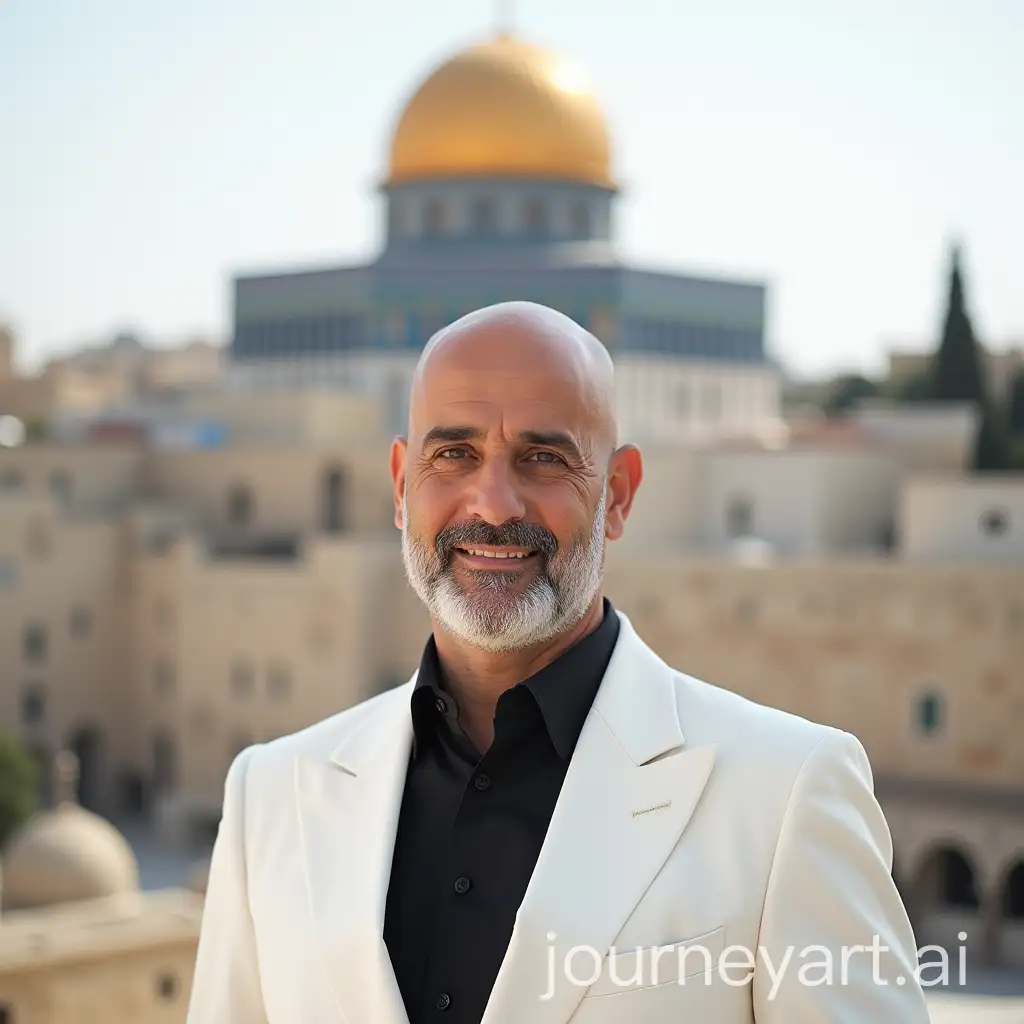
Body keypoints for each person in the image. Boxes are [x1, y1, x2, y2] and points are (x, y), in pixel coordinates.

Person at [187, 302, 929, 1023]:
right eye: (454, 454)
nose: (495, 502)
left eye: (544, 458)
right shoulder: (273, 797)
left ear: (619, 495)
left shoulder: (785, 796)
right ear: (400, 487)